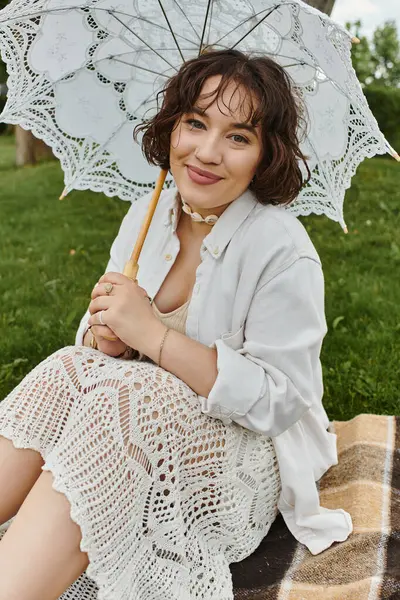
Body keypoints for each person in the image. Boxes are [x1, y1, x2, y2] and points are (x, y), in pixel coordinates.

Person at [0, 49, 352, 600]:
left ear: (266, 155)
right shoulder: (149, 215)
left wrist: (153, 337)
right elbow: (101, 351)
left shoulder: (282, 249)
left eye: (238, 136)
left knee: (130, 397)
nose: (207, 152)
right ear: (171, 126)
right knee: (68, 367)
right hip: (134, 423)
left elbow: (279, 401)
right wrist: (105, 337)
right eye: (195, 123)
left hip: (243, 459)